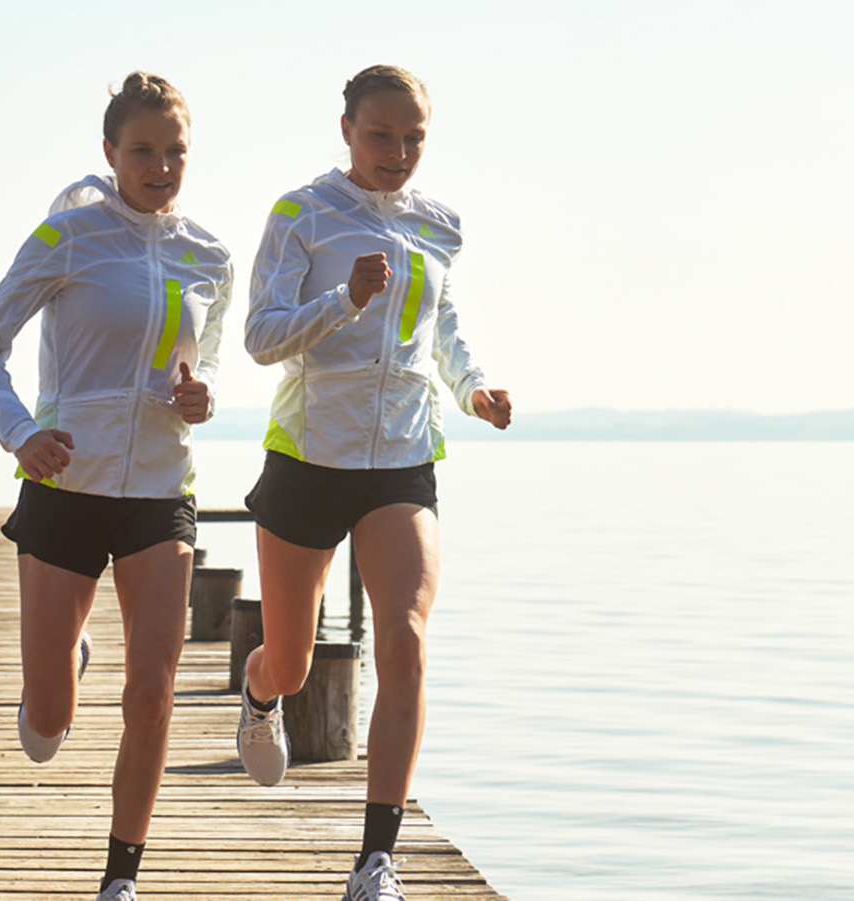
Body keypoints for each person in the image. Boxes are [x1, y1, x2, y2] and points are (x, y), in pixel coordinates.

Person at [235, 64, 512, 900]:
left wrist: (473, 390)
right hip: (309, 458)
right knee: (291, 661)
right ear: (348, 128)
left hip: (400, 457)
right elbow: (258, 337)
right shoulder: (301, 214)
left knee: (407, 636)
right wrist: (344, 303)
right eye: (382, 134)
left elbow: (445, 329)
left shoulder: (438, 224)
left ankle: (374, 861)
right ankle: (257, 692)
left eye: (414, 137)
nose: (398, 152)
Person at [0, 71, 230, 901]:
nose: (160, 166)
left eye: (174, 151)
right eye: (142, 150)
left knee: (150, 694)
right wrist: (21, 432)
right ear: (110, 152)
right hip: (67, 482)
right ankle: (59, 671)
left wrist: (203, 395)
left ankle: (121, 878)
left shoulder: (209, 254)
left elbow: (207, 363)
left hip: (159, 489)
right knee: (47, 726)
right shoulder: (67, 237)